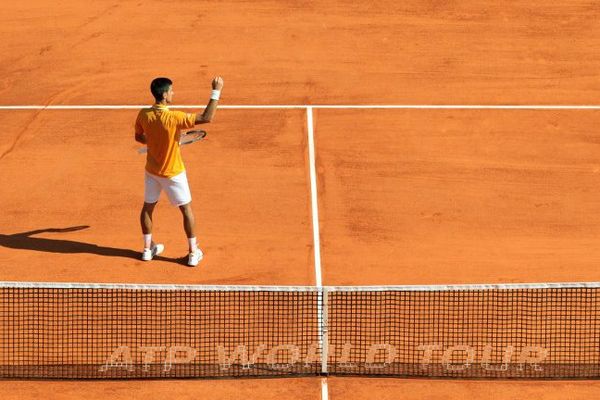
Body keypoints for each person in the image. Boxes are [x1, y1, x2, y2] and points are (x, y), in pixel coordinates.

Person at [134, 76, 224, 266]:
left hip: (152, 172)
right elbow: (207, 118)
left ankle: (146, 250)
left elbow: (139, 137)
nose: (173, 93)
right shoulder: (174, 117)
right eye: (172, 91)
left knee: (148, 208)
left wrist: (156, 142)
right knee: (186, 210)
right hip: (173, 173)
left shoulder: (144, 114)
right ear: (165, 95)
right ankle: (193, 253)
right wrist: (216, 91)